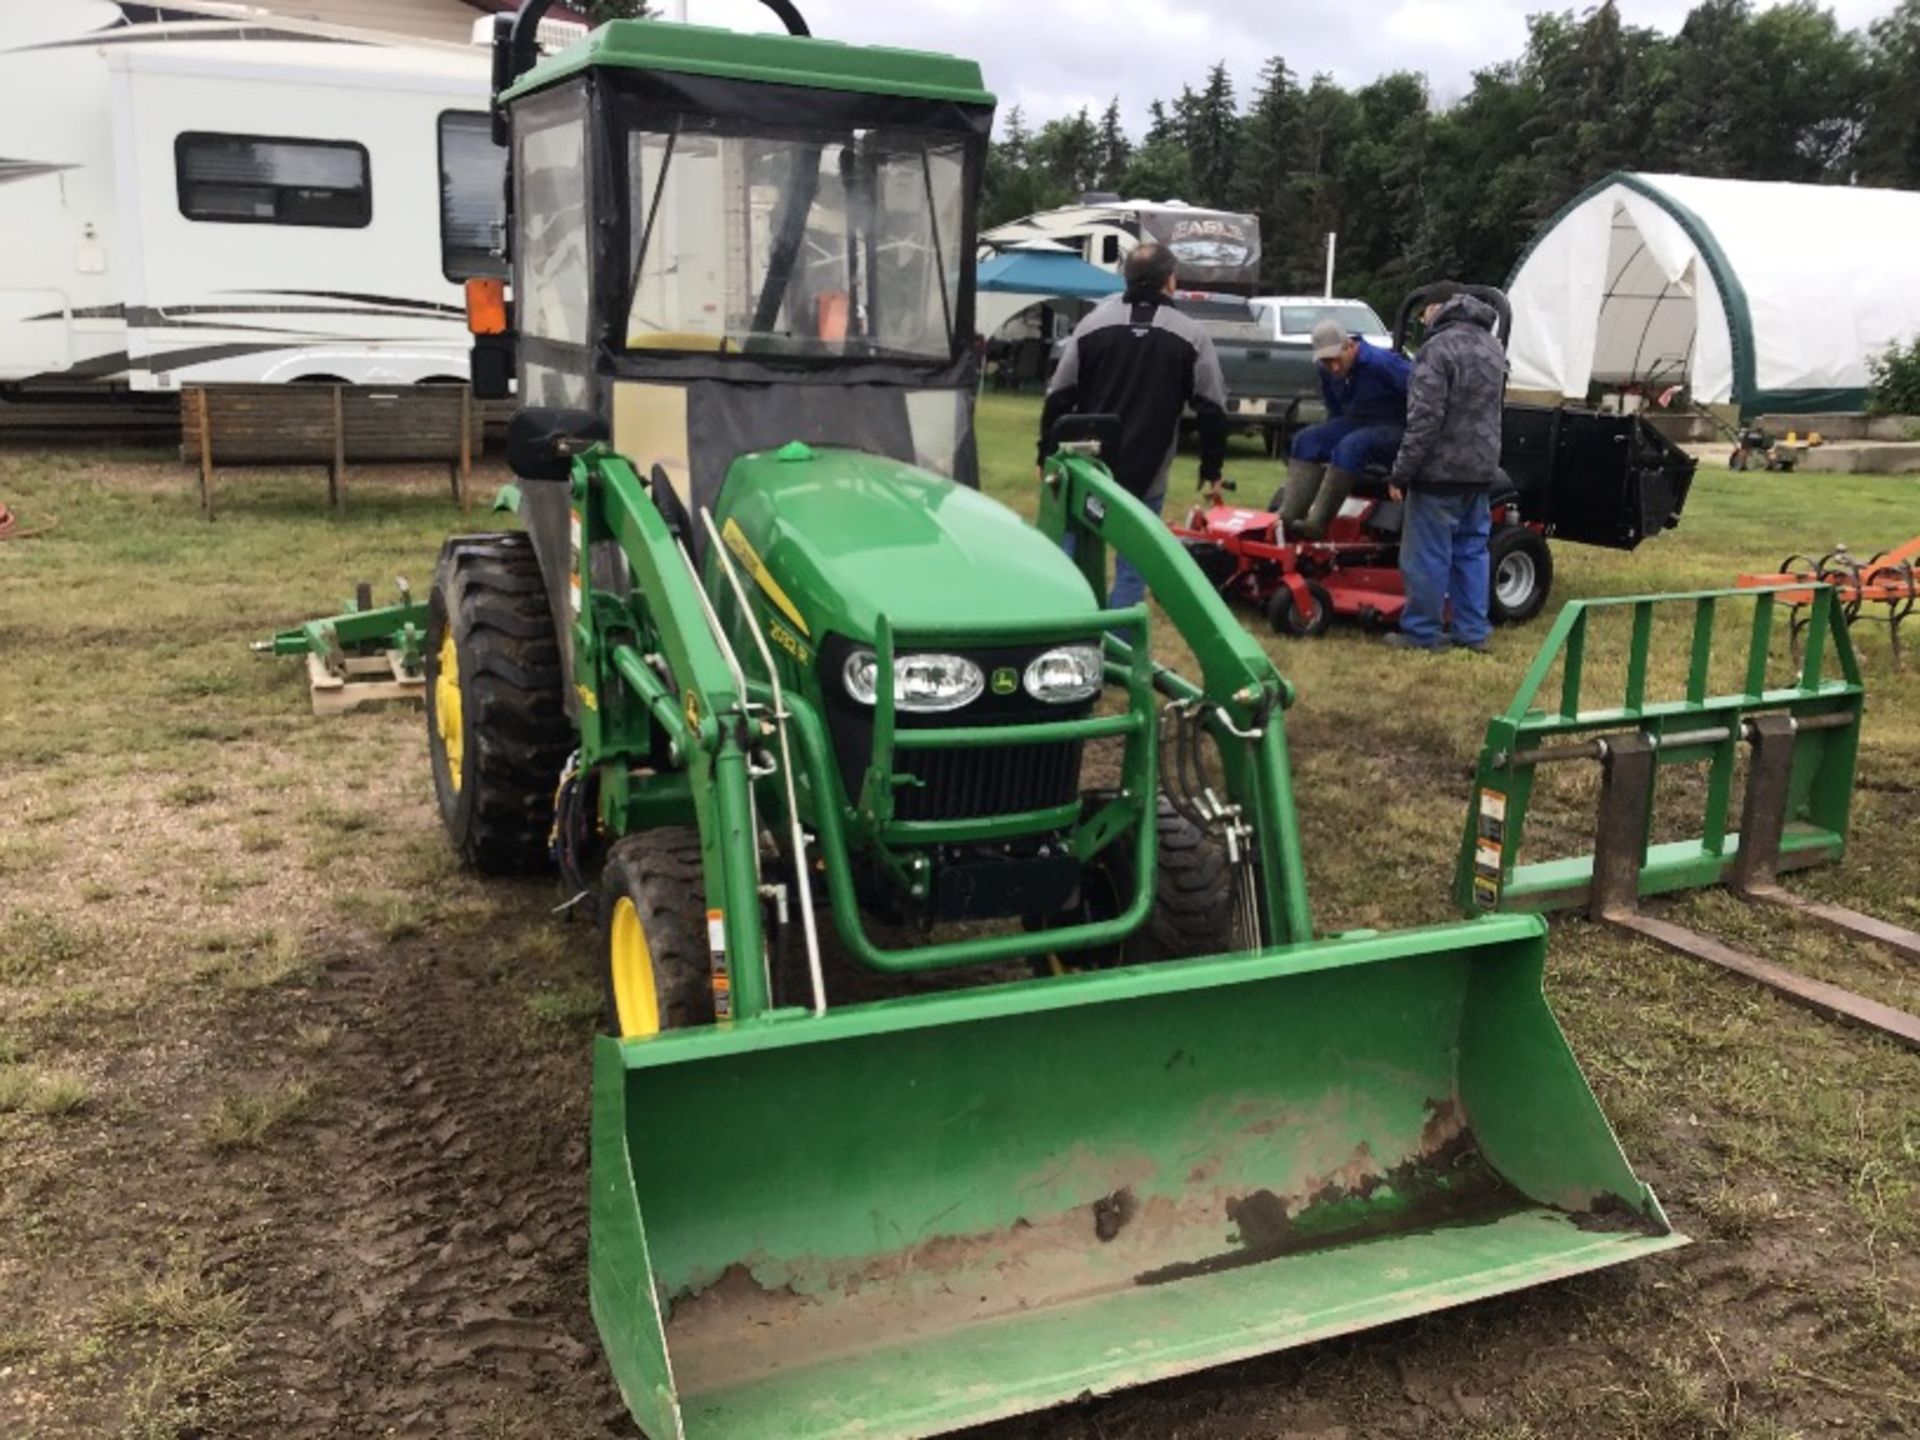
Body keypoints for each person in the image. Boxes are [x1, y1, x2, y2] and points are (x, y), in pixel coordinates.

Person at [1038, 242, 1228, 609]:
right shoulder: (1192, 335)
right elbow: (1212, 408)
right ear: (1170, 281)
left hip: (1088, 466)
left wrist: (1044, 452)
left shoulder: (1091, 325)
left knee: (1069, 550)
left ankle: (1059, 621)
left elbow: (1059, 396)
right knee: (1133, 567)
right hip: (1149, 469)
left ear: (1127, 277)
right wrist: (1211, 467)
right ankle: (1119, 647)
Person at [1385, 282, 1507, 651]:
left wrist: (1401, 472)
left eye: (1425, 312)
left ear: (1437, 310)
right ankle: (1474, 632)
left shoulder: (1436, 349)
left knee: (1427, 554)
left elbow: (1424, 419)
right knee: (1472, 550)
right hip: (1481, 469)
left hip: (1439, 472)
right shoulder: (1492, 346)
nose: (1423, 319)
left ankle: (1422, 632)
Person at [1277, 319, 1413, 539]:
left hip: (1397, 427)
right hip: (1357, 422)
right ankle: (1289, 517)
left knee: (1352, 445)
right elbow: (1335, 412)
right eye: (1327, 362)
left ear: (1350, 346)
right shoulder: (1326, 371)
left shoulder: (1383, 363)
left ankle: (1317, 523)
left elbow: (1424, 394)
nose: (1335, 368)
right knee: (1306, 440)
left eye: (1337, 360)